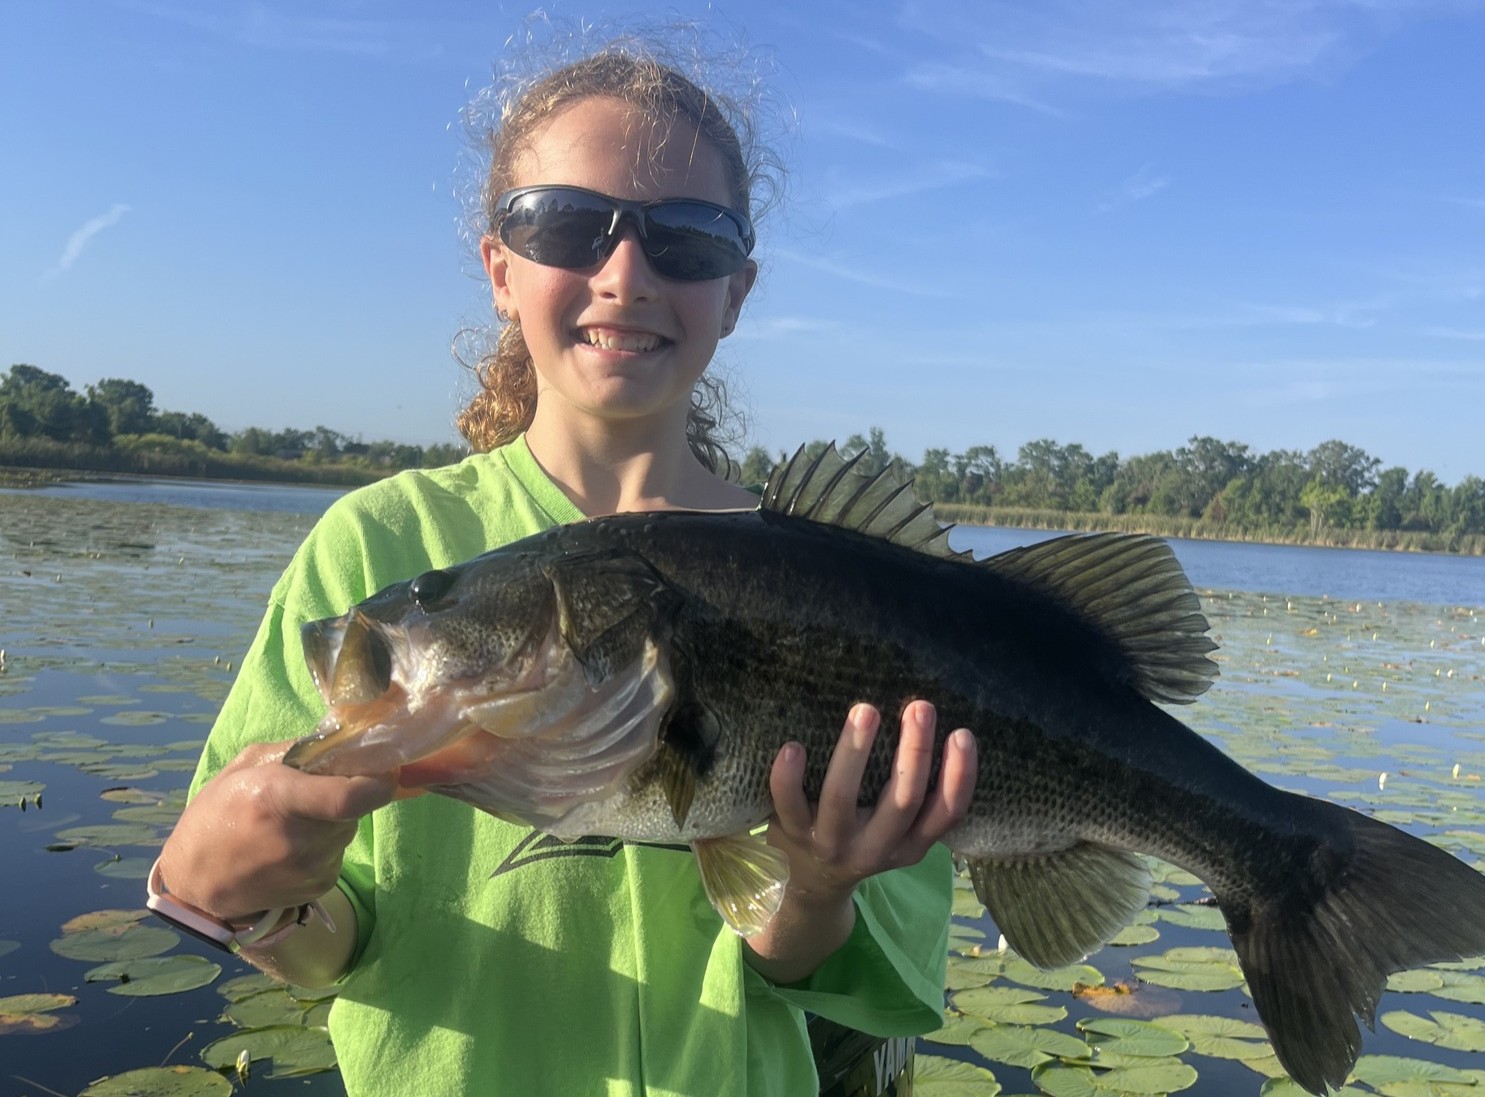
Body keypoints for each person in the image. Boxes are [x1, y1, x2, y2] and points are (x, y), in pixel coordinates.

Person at [151, 34, 978, 1097]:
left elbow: (836, 969)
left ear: (736, 290)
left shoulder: (856, 581)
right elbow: (333, 949)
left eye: (687, 239)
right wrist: (253, 896)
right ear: (501, 268)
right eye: (569, 226)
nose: (625, 275)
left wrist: (816, 888)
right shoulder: (372, 547)